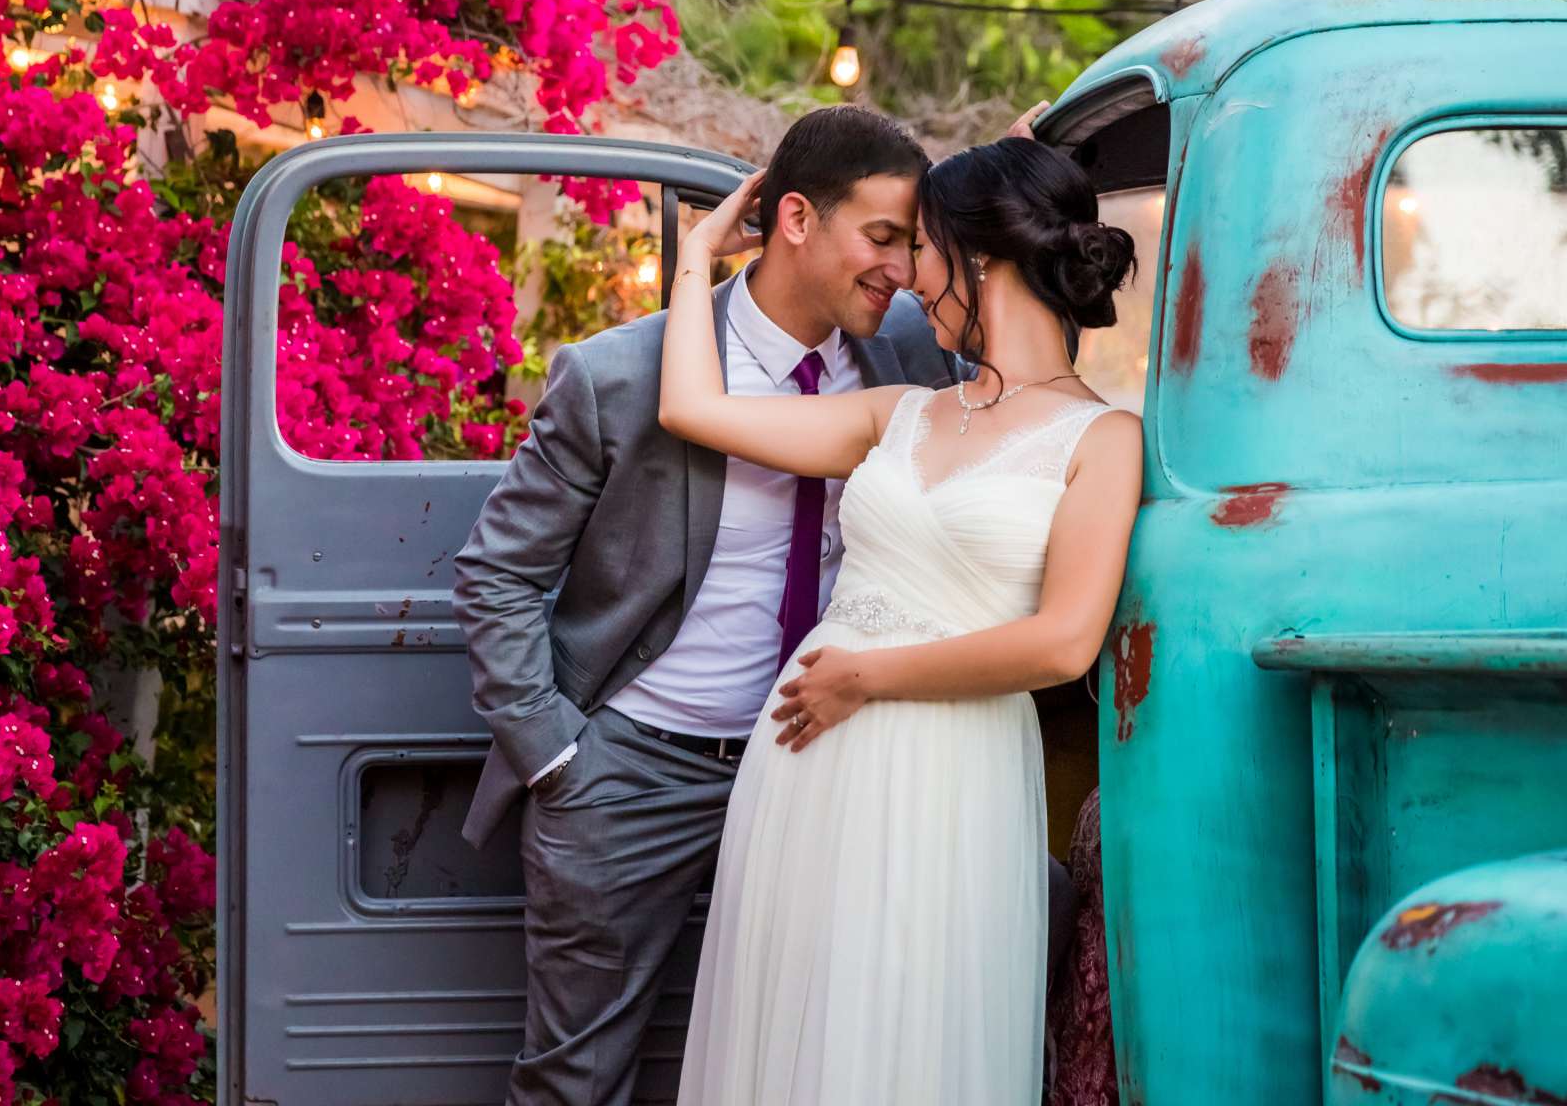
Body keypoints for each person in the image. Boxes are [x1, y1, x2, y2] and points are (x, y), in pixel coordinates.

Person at [452, 105, 957, 1106]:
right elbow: (497, 571)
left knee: (822, 1057)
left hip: (826, 764)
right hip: (630, 772)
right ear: (800, 219)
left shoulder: (911, 357)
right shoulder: (619, 376)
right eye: (884, 236)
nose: (902, 267)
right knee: (575, 1078)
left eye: (913, 242)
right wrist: (559, 755)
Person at [662, 136, 1143, 1106]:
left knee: (905, 1029)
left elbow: (1063, 642)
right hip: (806, 770)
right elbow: (691, 406)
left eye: (922, 247)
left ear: (981, 254)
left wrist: (867, 677)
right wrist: (689, 261)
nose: (910, 278)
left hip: (946, 777)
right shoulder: (898, 413)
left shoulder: (1105, 437)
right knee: (791, 1027)